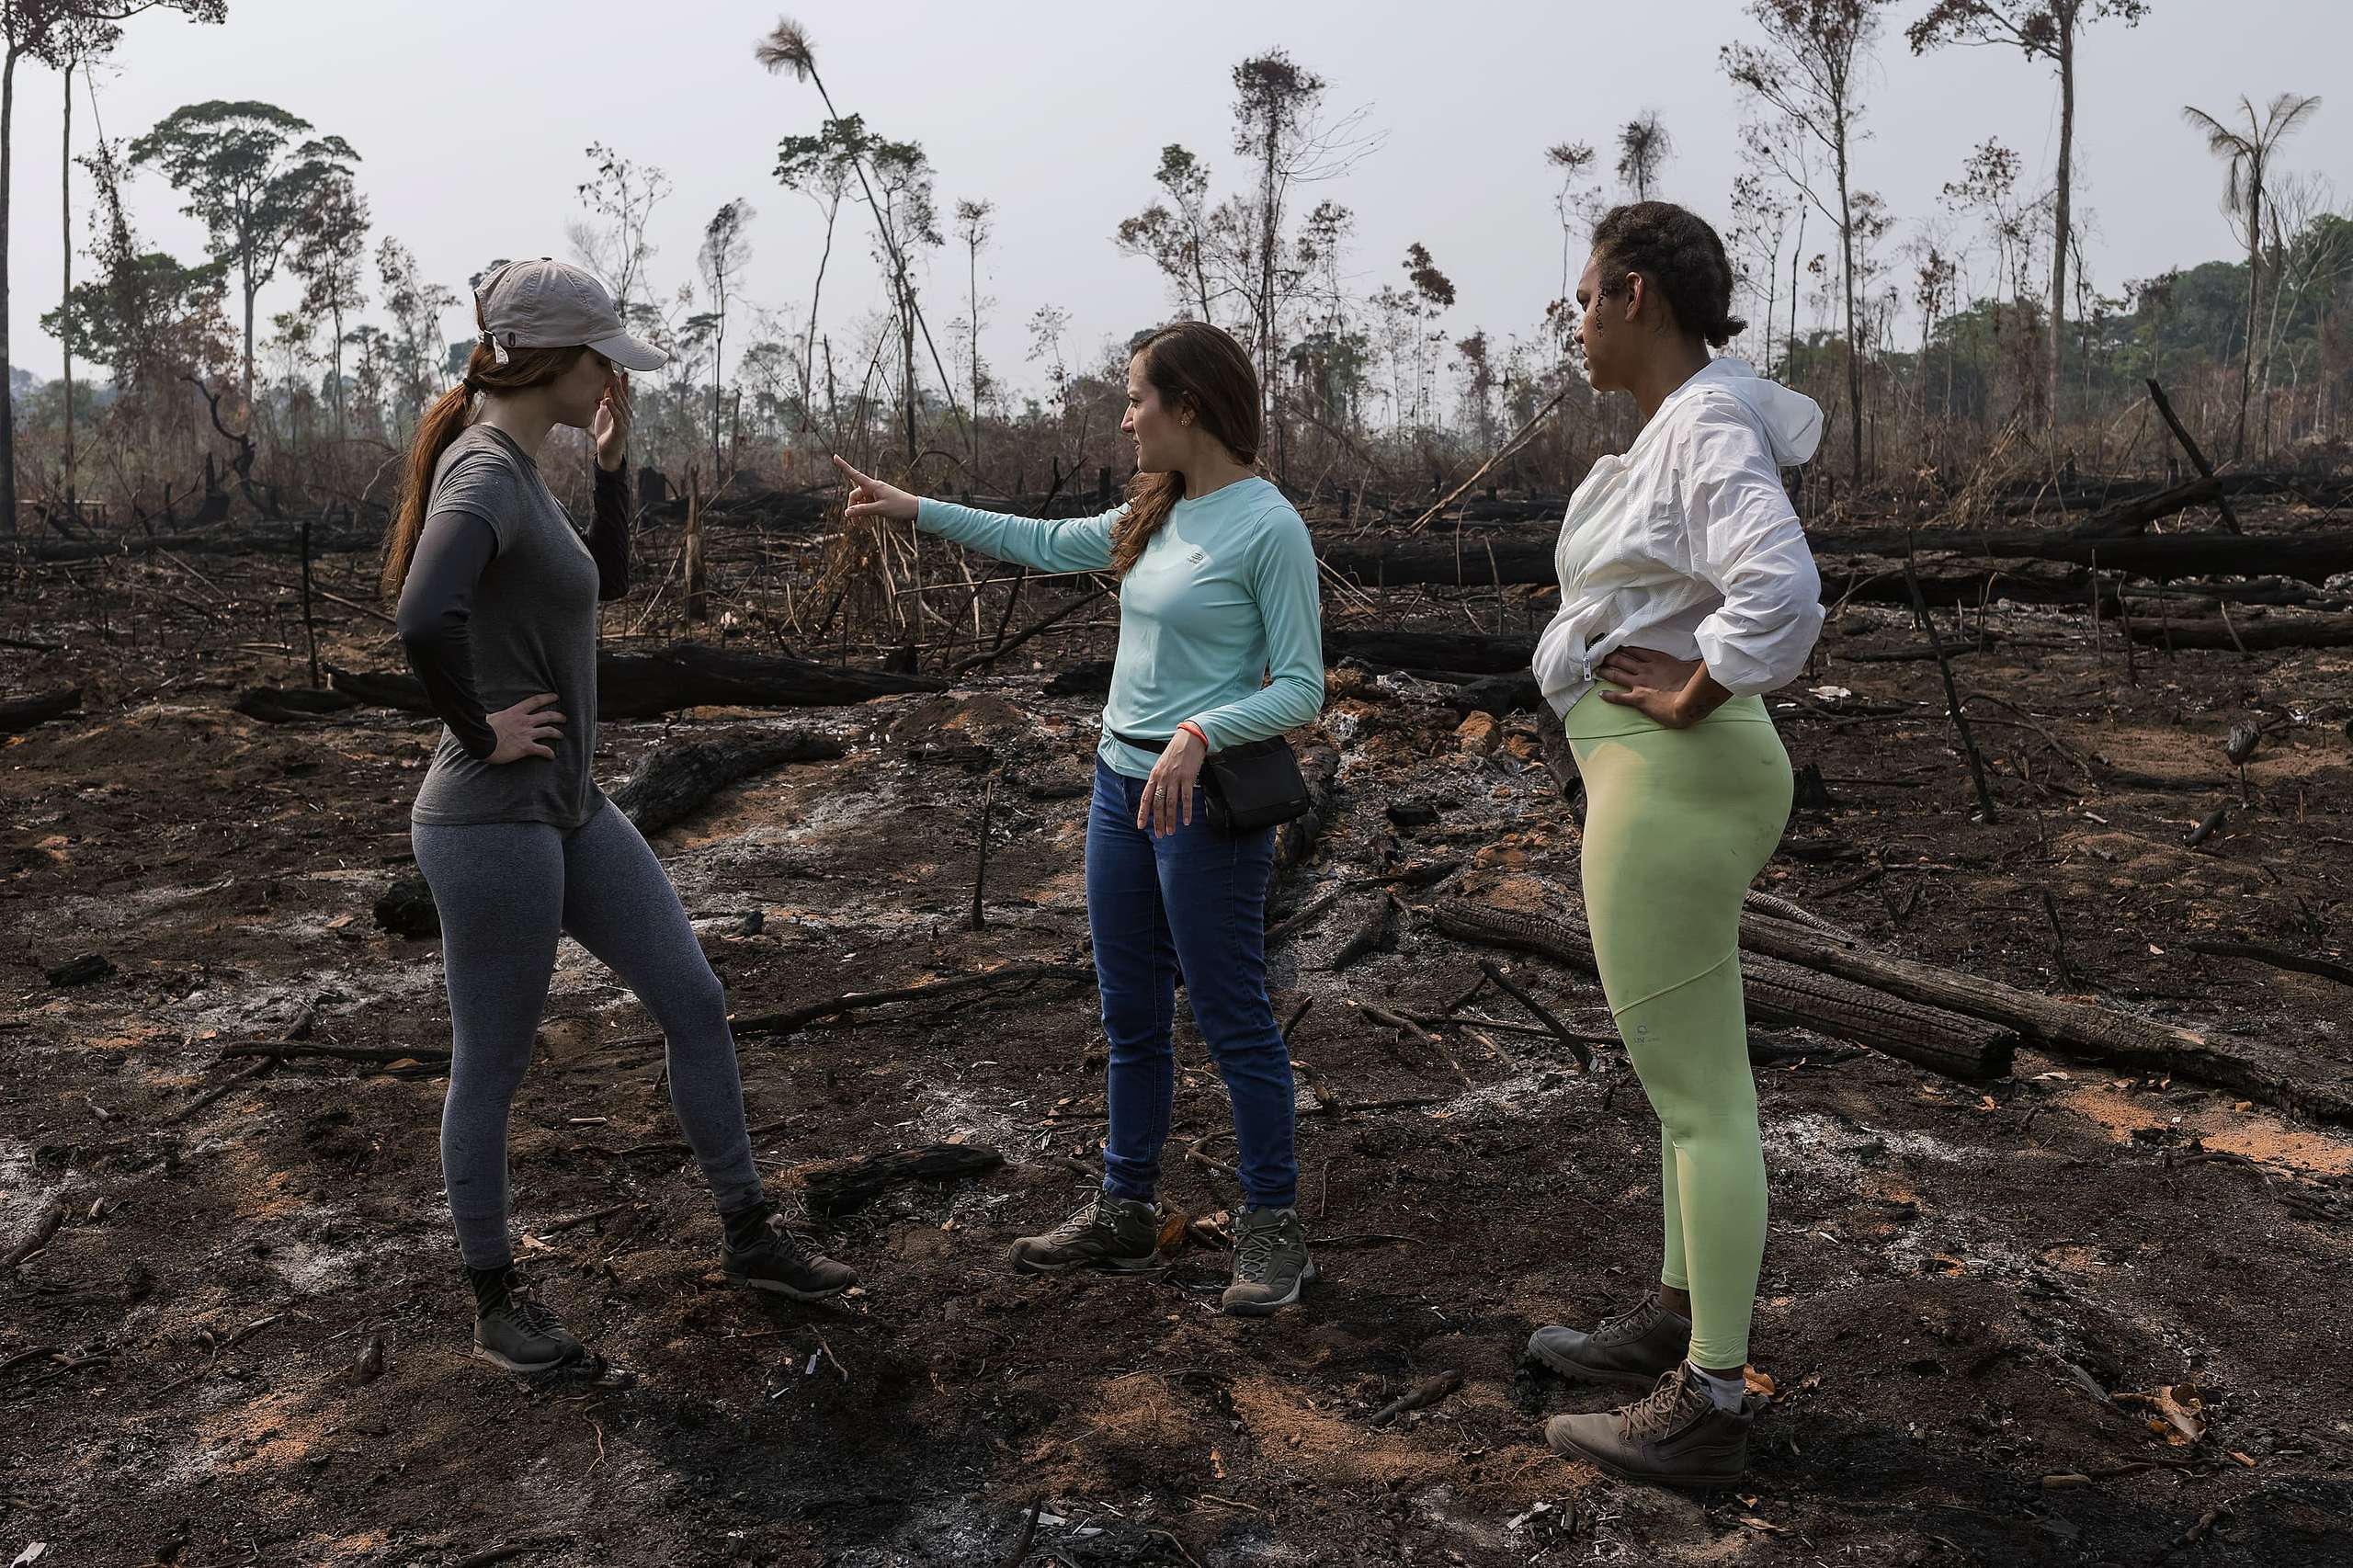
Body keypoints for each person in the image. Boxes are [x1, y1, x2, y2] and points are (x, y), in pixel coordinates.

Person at [387, 257, 856, 1376]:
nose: (613, 374)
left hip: (570, 808)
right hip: (491, 821)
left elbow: (601, 581)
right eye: (602, 357)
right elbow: (420, 615)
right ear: (555, 356)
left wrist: (610, 469)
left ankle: (750, 1237)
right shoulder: (484, 474)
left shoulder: (519, 465)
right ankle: (497, 1301)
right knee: (491, 1063)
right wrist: (478, 730)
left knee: (694, 994)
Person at [831, 321, 1324, 1315]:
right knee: (1129, 1012)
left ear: (1188, 406)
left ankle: (1274, 1230)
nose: (1126, 416)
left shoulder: (1267, 526)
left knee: (1231, 1018)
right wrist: (912, 508)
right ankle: (1124, 1208)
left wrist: (1198, 732)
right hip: (1117, 789)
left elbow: (1303, 688)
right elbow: (1041, 542)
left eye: (1137, 396)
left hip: (1203, 801)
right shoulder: (1159, 508)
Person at [1521, 203, 1824, 1485]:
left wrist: (1696, 688)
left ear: (1635, 295)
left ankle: (1711, 1398)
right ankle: (1672, 1311)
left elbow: (1783, 589)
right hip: (1670, 774)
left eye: (1585, 299)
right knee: (1690, 1080)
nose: (1577, 325)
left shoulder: (1702, 423)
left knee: (1702, 1100)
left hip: (1675, 776)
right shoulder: (1683, 426)